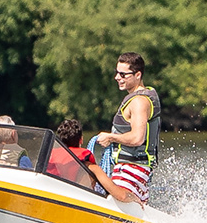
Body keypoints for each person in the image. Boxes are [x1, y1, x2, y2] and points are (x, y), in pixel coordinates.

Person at [90, 53, 159, 205]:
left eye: (123, 74)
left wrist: (110, 137)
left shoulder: (139, 102)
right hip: (131, 169)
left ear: (138, 75)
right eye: (116, 73)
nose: (117, 77)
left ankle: (134, 201)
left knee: (117, 197)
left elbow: (137, 138)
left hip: (133, 169)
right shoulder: (137, 98)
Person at [48, 117, 120, 196]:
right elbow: (118, 194)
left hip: (53, 193)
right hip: (78, 196)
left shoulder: (49, 157)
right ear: (81, 140)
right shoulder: (91, 166)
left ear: (60, 141)